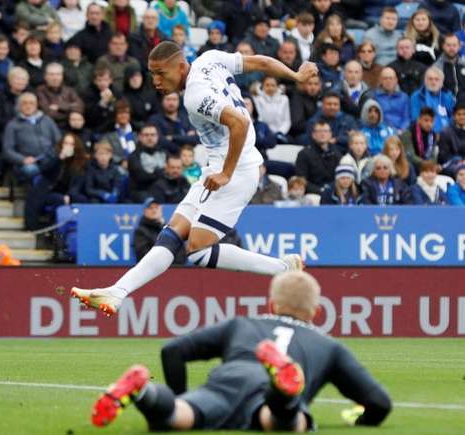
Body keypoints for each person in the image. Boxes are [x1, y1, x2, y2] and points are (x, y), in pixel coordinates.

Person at [71, 41, 317, 316]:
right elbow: (260, 62)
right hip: (219, 167)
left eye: (161, 73)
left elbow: (240, 123)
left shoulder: (195, 96)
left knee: (198, 251)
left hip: (236, 170)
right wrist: (295, 75)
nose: (156, 81)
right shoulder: (210, 58)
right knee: (171, 234)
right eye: (152, 74)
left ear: (180, 67)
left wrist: (225, 172)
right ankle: (118, 291)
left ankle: (283, 269)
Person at [91, 270, 392, 431]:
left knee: (178, 416)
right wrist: (362, 421)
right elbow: (379, 403)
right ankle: (284, 394)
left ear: (272, 305)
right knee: (282, 422)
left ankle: (145, 393)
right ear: (314, 312)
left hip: (226, 382)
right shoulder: (328, 346)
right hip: (268, 396)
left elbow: (173, 350)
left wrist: (182, 394)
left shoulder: (242, 324)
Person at [24, 132, 89, 229]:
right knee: (58, 199)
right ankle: (52, 229)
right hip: (51, 191)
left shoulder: (81, 161)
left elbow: (79, 182)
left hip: (71, 192)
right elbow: (44, 169)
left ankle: (81, 228)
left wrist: (70, 195)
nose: (68, 146)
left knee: (82, 200)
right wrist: (59, 158)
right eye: (66, 143)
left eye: (71, 144)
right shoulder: (53, 155)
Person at [2, 92, 62, 182]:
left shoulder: (47, 120)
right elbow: (7, 150)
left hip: (49, 158)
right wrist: (23, 159)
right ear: (19, 106)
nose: (28, 106)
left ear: (36, 105)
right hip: (28, 162)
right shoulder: (12, 125)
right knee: (31, 170)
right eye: (25, 103)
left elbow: (59, 141)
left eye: (31, 103)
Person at [295, 119, 343, 193]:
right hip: (312, 193)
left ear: (330, 134)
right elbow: (301, 180)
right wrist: (320, 191)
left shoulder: (337, 153)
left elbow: (341, 176)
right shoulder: (304, 154)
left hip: (334, 192)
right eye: (319, 131)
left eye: (325, 131)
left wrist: (331, 190)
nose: (322, 134)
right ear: (313, 135)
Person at [133, 197, 186, 264]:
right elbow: (143, 255)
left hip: (175, 271)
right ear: (145, 211)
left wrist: (174, 267)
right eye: (150, 208)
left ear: (161, 210)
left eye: (156, 207)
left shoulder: (170, 229)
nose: (154, 210)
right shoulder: (140, 231)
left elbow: (181, 253)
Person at [36, 62, 83, 130]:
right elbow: (47, 113)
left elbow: (80, 106)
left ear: (62, 76)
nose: (55, 78)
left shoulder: (69, 90)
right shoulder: (40, 91)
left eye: (58, 74)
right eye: (51, 74)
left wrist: (59, 106)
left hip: (70, 128)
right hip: (49, 128)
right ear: (45, 76)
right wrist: (69, 110)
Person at [127, 124, 165, 202]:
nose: (150, 138)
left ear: (157, 137)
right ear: (140, 137)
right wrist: (159, 172)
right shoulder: (133, 156)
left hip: (162, 190)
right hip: (141, 191)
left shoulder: (165, 153)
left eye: (153, 135)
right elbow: (141, 177)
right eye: (146, 135)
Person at [410, 66, 455, 134]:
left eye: (436, 79)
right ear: (425, 81)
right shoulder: (416, 96)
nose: (433, 82)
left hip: (447, 133)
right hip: (426, 132)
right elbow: (415, 119)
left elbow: (453, 116)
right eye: (430, 79)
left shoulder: (448, 96)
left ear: (441, 83)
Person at [253, 75, 290, 141]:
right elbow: (259, 119)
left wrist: (280, 132)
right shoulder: (257, 99)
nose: (270, 88)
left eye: (273, 85)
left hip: (281, 134)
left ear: (277, 87)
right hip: (264, 133)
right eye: (267, 85)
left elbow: (287, 121)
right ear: (262, 86)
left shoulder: (284, 99)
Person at [401, 107, 439, 171]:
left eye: (432, 121)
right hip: (411, 165)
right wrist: (424, 164)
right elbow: (410, 155)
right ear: (419, 120)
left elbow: (434, 154)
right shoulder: (408, 133)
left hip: (427, 166)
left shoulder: (433, 135)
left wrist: (431, 164)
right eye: (426, 120)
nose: (429, 124)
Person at [82, 67, 119, 132]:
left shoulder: (116, 91)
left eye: (105, 80)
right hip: (95, 128)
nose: (103, 83)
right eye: (99, 80)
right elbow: (90, 117)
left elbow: (119, 109)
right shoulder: (88, 93)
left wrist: (111, 99)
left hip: (113, 127)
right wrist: (102, 103)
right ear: (95, 81)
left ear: (111, 80)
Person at [122, 63, 159, 129]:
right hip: (131, 129)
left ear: (142, 77)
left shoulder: (151, 94)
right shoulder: (123, 96)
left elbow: (156, 113)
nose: (135, 79)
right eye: (132, 76)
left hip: (151, 128)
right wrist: (139, 127)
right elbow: (124, 117)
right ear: (127, 79)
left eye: (138, 76)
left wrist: (148, 126)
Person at [373, 67, 410, 131]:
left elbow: (406, 119)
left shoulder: (404, 97)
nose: (388, 81)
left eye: (391, 78)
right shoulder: (375, 97)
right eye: (385, 78)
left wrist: (401, 130)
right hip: (381, 131)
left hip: (400, 132)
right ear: (381, 80)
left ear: (396, 80)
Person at [289, 75, 321, 139]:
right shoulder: (297, 99)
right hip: (301, 135)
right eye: (310, 84)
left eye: (316, 84)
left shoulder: (321, 98)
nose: (313, 87)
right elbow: (297, 125)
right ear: (303, 85)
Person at [438, 101, 465, 178]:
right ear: (454, 116)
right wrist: (460, 161)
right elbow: (444, 156)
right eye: (459, 114)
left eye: (464, 114)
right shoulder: (446, 132)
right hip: (451, 164)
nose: (462, 117)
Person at [433, 34, 465, 99]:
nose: (451, 48)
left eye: (454, 45)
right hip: (445, 103)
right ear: (443, 46)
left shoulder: (463, 64)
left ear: (459, 46)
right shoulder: (436, 68)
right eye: (448, 45)